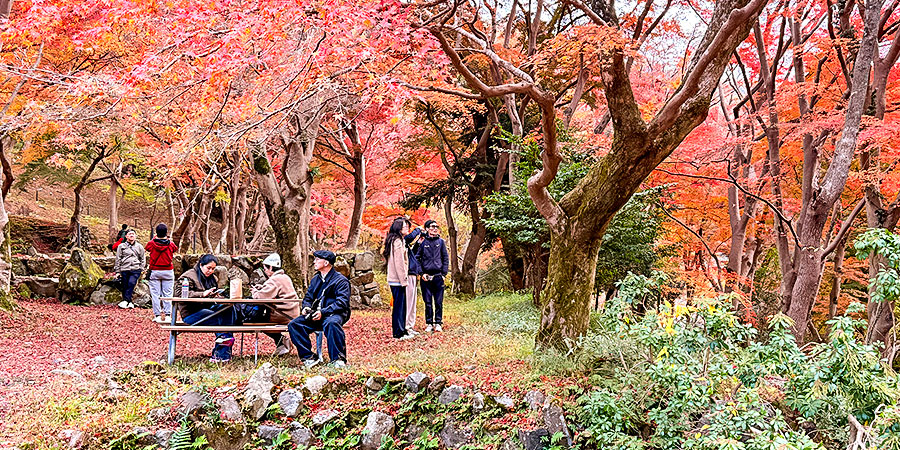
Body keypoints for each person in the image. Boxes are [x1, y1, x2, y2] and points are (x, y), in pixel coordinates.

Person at [288, 250, 351, 369]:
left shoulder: (341, 280)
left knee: (331, 323)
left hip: (335, 313)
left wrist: (323, 312)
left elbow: (342, 303)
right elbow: (308, 297)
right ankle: (309, 358)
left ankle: (338, 360)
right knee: (294, 325)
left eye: (317, 259)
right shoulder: (316, 279)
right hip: (316, 313)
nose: (314, 262)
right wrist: (306, 307)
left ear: (326, 262)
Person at [178, 254, 236, 363]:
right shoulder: (188, 277)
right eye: (208, 268)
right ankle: (222, 354)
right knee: (222, 322)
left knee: (227, 310)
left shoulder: (213, 278)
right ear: (201, 265)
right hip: (192, 313)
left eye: (213, 269)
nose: (210, 271)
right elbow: (180, 294)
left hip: (209, 308)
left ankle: (223, 353)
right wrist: (202, 294)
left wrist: (216, 296)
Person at [249, 253, 300, 356]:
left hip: (283, 314)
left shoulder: (274, 280)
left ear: (271, 267)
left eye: (265, 268)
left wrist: (254, 291)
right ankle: (281, 343)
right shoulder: (285, 277)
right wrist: (262, 288)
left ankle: (281, 341)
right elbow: (270, 291)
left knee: (256, 320)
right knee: (260, 319)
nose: (265, 271)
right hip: (292, 313)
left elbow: (259, 298)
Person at [416, 220, 449, 332]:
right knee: (428, 302)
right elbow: (417, 259)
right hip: (426, 277)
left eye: (436, 226)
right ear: (427, 229)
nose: (435, 228)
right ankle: (429, 323)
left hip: (438, 276)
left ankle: (438, 322)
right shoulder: (423, 243)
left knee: (438, 301)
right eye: (432, 226)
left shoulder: (441, 242)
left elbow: (445, 258)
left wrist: (444, 274)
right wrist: (421, 273)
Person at [384, 218, 413, 340]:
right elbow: (399, 263)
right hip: (397, 279)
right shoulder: (397, 241)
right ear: (398, 227)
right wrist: (403, 280)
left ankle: (402, 330)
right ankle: (398, 332)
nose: (407, 228)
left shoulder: (395, 240)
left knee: (400, 305)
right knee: (399, 306)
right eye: (404, 226)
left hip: (395, 278)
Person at [145, 223, 178, 323]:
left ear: (156, 232)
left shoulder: (152, 243)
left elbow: (147, 248)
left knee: (155, 294)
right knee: (168, 293)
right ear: (166, 232)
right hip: (168, 270)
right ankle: (168, 315)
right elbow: (175, 249)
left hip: (155, 271)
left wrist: (155, 238)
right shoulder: (170, 244)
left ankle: (157, 315)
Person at [114, 229, 146, 309]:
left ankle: (126, 301)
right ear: (126, 236)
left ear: (135, 236)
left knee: (131, 283)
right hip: (125, 268)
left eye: (133, 234)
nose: (131, 235)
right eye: (129, 234)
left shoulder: (139, 246)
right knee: (125, 285)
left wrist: (141, 268)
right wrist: (117, 271)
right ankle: (129, 302)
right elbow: (118, 258)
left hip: (135, 268)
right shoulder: (121, 246)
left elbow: (143, 258)